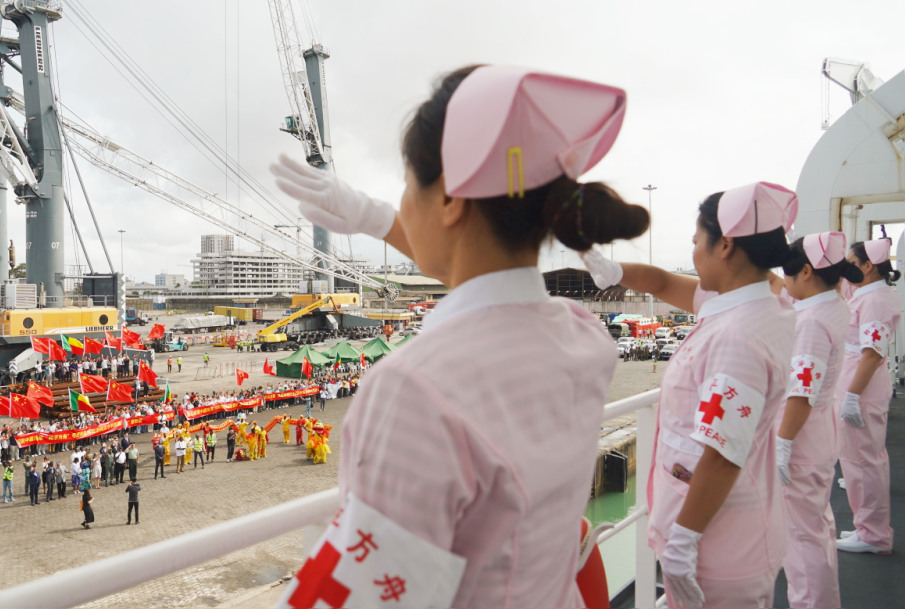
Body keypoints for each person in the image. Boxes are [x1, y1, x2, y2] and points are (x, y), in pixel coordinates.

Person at [270, 64, 644, 607]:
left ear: (448, 197)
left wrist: (378, 219)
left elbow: (367, 594)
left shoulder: (416, 389)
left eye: (404, 186)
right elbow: (490, 282)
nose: (399, 204)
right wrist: (378, 219)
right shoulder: (583, 337)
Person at [584, 182, 797, 607]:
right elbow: (660, 280)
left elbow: (720, 455)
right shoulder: (754, 303)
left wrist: (682, 544)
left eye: (698, 241)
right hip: (726, 528)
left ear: (726, 246)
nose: (694, 251)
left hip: (717, 546)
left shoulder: (739, 336)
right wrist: (611, 270)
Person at [772, 232, 861, 608]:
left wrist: (782, 444)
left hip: (801, 440)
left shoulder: (811, 322)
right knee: (817, 529)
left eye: (790, 276)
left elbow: (801, 390)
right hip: (819, 434)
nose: (787, 283)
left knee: (802, 538)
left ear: (806, 272)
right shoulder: (833, 305)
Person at [835, 238, 901, 555]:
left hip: (860, 388)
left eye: (851, 262)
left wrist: (851, 396)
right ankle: (868, 527)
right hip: (859, 385)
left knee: (862, 464)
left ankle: (873, 535)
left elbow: (872, 354)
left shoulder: (874, 300)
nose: (846, 267)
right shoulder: (870, 294)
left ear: (867, 266)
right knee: (864, 462)